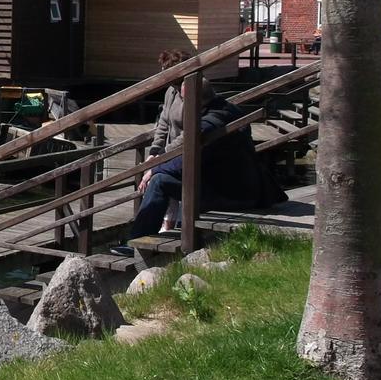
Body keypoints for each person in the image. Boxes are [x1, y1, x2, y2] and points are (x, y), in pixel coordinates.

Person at [119, 82, 287, 247]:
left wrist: (154, 168)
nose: (182, 103)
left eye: (184, 99)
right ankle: (147, 233)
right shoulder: (227, 109)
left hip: (231, 194)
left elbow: (183, 164)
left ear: (196, 101)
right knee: (165, 177)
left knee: (159, 181)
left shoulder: (208, 125)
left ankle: (136, 241)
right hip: (242, 187)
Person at [148, 49, 191, 232]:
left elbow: (188, 131)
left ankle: (170, 226)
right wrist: (154, 152)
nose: (163, 74)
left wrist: (163, 156)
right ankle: (164, 226)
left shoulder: (189, 91)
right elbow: (163, 123)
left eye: (166, 70)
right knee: (153, 176)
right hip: (170, 149)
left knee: (159, 178)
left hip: (186, 151)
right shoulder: (170, 92)